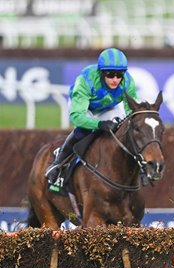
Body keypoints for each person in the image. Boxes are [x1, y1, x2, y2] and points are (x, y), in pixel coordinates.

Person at [45, 47, 139, 186]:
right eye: (110, 74)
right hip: (84, 107)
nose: (115, 79)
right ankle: (58, 163)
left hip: (107, 107)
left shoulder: (128, 82)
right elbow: (77, 117)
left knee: (119, 128)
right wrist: (99, 124)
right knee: (85, 130)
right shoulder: (86, 81)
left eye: (119, 75)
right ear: (101, 73)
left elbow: (132, 110)